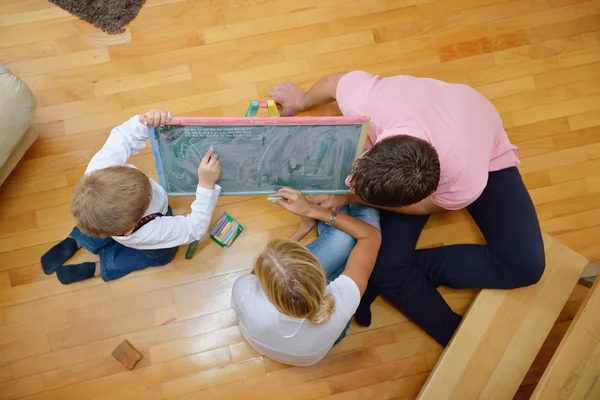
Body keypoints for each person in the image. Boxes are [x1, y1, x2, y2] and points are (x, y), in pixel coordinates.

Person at [269, 71, 545, 346]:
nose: (346, 184)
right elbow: (335, 82)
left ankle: (400, 278)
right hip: (448, 118)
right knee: (389, 268)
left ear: (400, 200)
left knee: (526, 267)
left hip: (480, 152)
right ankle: (444, 324)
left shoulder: (464, 183)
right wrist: (301, 100)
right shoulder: (370, 101)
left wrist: (350, 200)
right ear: (377, 148)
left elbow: (427, 206)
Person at [40, 109, 222, 284]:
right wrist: (206, 186)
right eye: (149, 196)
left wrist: (146, 122)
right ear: (129, 229)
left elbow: (124, 136)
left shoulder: (99, 171)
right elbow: (194, 228)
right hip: (142, 234)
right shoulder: (149, 232)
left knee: (96, 217)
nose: (152, 189)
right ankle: (99, 267)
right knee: (161, 256)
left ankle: (78, 240)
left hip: (109, 223)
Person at [231, 187, 380, 366]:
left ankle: (341, 197)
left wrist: (304, 227)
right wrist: (312, 210)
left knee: (346, 242)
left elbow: (258, 273)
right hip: (329, 334)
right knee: (349, 241)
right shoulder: (341, 303)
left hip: (281, 343)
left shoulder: (245, 292)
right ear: (321, 272)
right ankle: (348, 194)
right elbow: (371, 236)